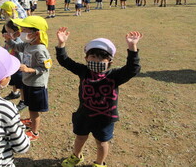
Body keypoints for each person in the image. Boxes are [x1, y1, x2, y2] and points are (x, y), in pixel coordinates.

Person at [56, 27, 142, 167]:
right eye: (93, 56)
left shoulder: (115, 76)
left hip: (105, 118)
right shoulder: (83, 71)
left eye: (102, 58)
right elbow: (65, 61)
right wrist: (61, 44)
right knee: (80, 137)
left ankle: (99, 163)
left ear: (110, 61)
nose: (97, 60)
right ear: (86, 58)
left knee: (102, 142)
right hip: (84, 114)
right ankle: (76, 156)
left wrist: (132, 47)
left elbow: (133, 69)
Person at [3, 16, 52, 141]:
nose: (22, 32)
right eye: (22, 29)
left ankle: (35, 133)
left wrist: (28, 69)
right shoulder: (28, 44)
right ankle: (31, 121)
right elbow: (17, 47)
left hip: (37, 85)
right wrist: (9, 40)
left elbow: (45, 68)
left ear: (36, 33)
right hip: (28, 82)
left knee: (34, 110)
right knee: (30, 105)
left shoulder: (40, 50)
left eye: (25, 30)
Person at [3, 20, 27, 111]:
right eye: (6, 31)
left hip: (19, 67)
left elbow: (22, 56)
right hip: (12, 66)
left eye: (9, 31)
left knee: (21, 85)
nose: (7, 33)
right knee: (15, 82)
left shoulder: (19, 42)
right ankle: (15, 93)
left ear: (17, 32)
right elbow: (6, 48)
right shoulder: (10, 40)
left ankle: (23, 101)